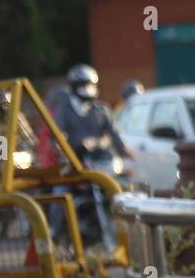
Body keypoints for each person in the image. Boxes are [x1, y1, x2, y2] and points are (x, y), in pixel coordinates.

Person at [48, 64, 133, 249]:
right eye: (82, 85)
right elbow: (57, 136)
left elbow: (114, 135)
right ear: (73, 86)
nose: (87, 89)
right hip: (76, 166)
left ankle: (128, 238)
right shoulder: (64, 109)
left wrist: (127, 151)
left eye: (90, 84)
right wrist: (62, 148)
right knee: (59, 194)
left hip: (103, 164)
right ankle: (54, 235)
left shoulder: (101, 109)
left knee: (126, 189)